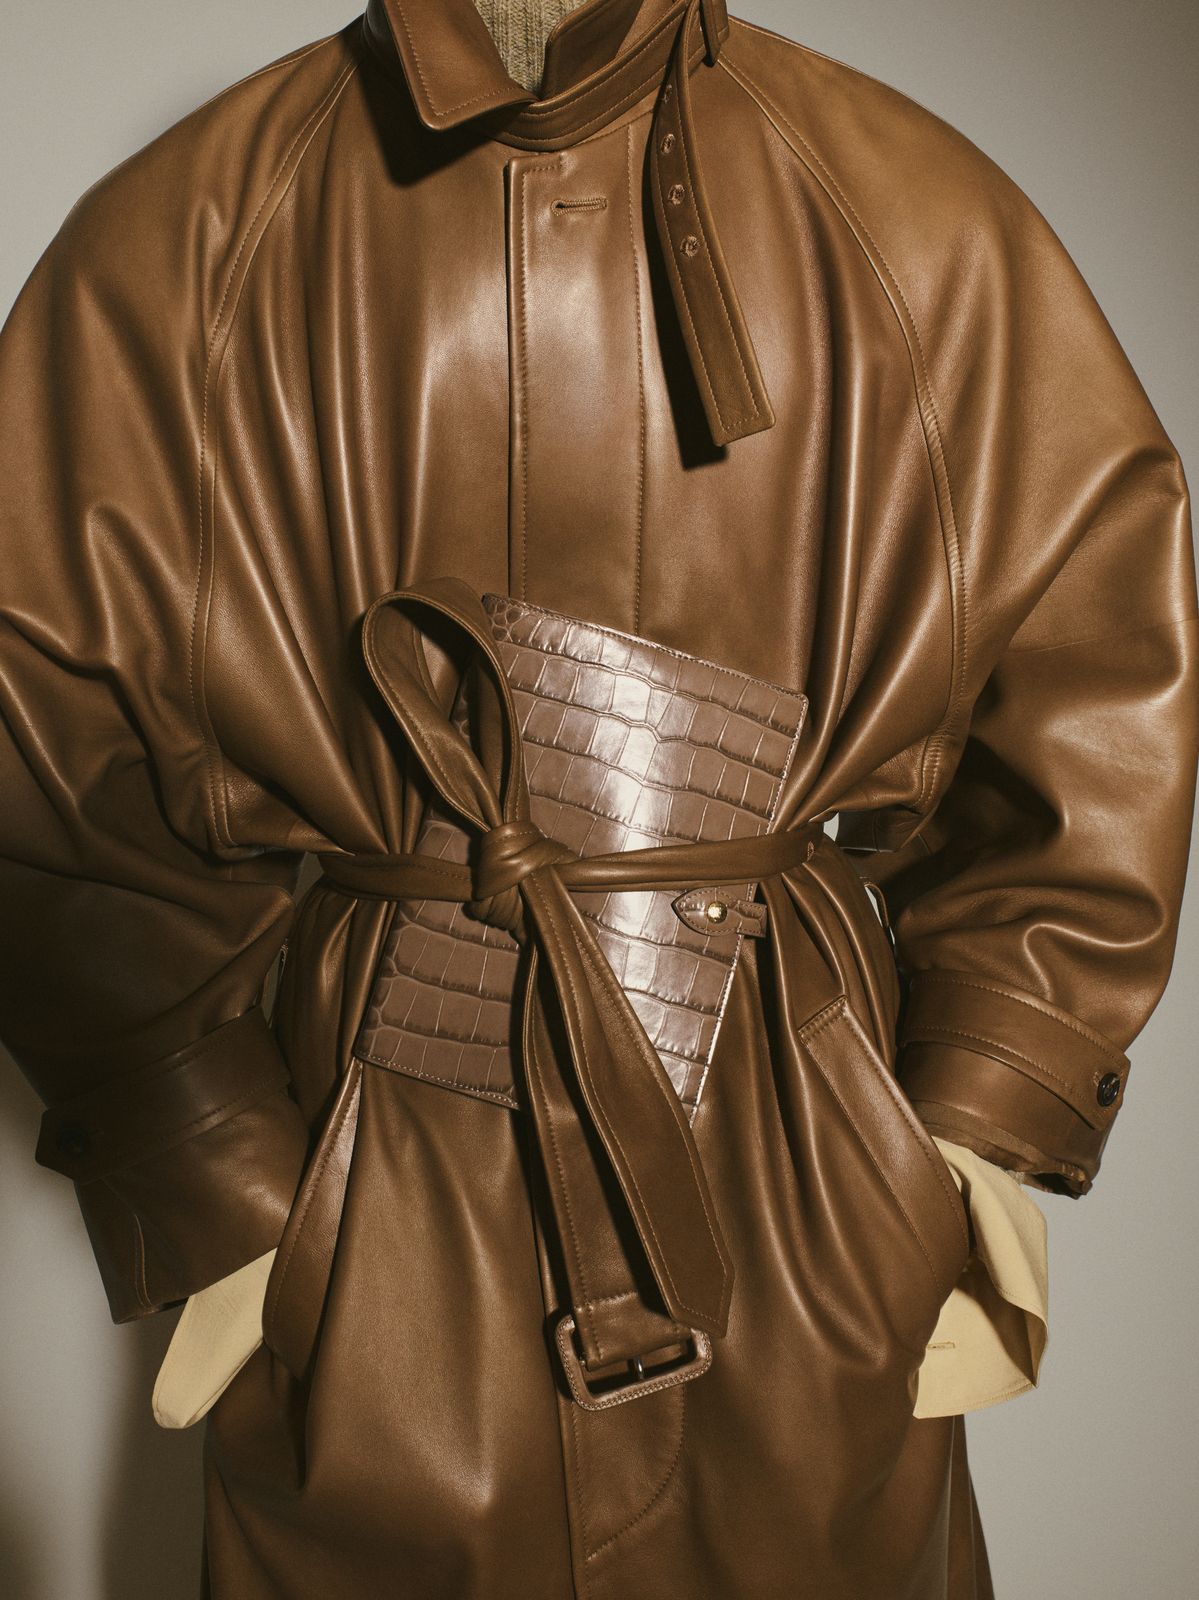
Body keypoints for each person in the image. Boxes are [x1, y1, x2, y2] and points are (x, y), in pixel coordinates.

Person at [1, 2, 1194, 1596]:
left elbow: (1094, 656)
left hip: (793, 1146)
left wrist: (974, 1125)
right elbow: (36, 731)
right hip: (380, 1154)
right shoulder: (193, 231)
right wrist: (213, 1167)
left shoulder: (907, 210)